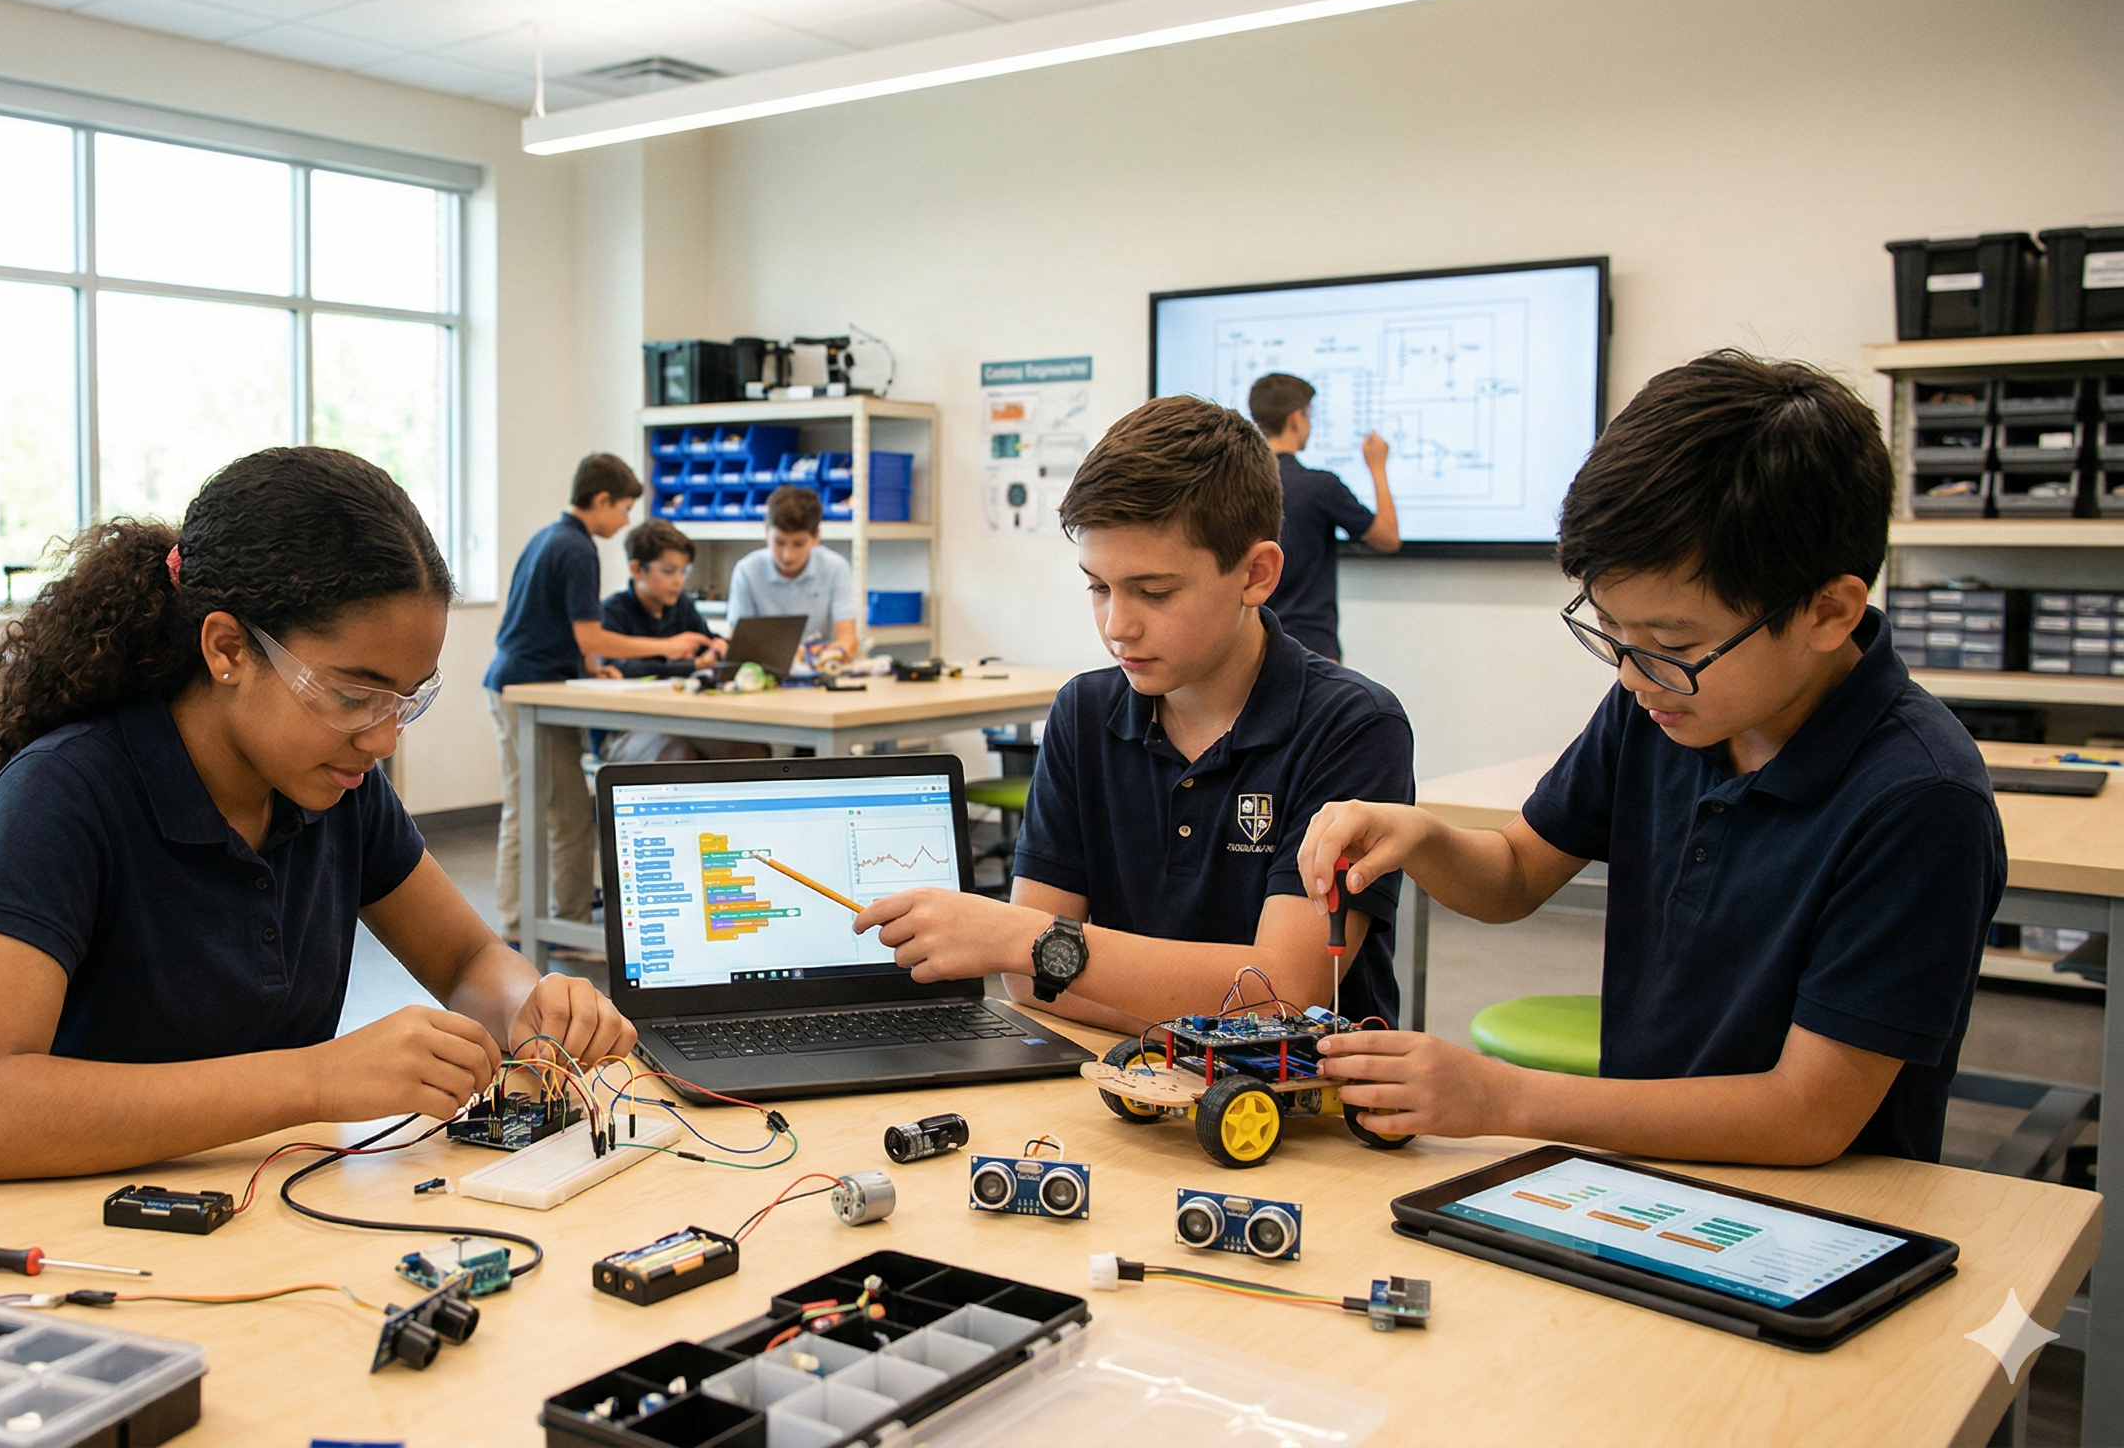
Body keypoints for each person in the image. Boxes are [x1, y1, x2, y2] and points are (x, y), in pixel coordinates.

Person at [1297, 351, 2003, 1166]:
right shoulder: (1666, 709)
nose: (1632, 675)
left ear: (1828, 611)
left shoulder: (1921, 799)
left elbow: (1807, 1116)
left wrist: (1505, 1097)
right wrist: (1421, 837)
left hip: (1819, 1207)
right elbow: (1515, 874)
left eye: (1672, 642)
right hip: (1643, 1174)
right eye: (1611, 631)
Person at [0, 447, 638, 1183]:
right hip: (79, 1224)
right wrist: (316, 1079)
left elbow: (466, 960)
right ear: (228, 648)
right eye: (352, 696)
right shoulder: (67, 792)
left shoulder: (336, 786)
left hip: (265, 1202)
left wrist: (530, 1006)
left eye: (407, 699)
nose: (383, 740)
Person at [850, 396, 1415, 1029]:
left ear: (1256, 574)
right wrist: (1050, 961)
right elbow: (1030, 983)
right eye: (1098, 587)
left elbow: (1281, 998)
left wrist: (1027, 941)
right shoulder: (1084, 713)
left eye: (1155, 592)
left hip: (1296, 1089)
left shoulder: (1354, 727)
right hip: (1122, 1073)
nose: (1118, 626)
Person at [484, 454, 717, 930]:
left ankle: (552, 921)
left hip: (522, 680)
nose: (627, 520)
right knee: (543, 812)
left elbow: (557, 626)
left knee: (553, 812)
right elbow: (590, 635)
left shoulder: (549, 537)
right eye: (625, 508)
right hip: (528, 688)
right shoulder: (578, 549)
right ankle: (526, 928)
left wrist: (589, 665)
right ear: (603, 499)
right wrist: (666, 646)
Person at [1249, 373, 1398, 662]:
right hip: (1311, 649)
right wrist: (1377, 466)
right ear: (1296, 419)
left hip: (1249, 648)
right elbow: (1388, 538)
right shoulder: (1320, 487)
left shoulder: (1235, 484)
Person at [591, 520, 766, 765]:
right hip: (625, 728)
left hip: (682, 721)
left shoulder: (680, 605)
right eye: (668, 571)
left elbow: (706, 643)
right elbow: (619, 670)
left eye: (684, 571)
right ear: (637, 570)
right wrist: (693, 665)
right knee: (679, 757)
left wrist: (718, 650)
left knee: (750, 750)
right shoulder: (612, 612)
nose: (679, 581)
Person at [728, 486, 859, 665]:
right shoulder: (746, 571)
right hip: (763, 672)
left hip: (819, 670)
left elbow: (848, 640)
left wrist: (829, 654)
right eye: (779, 542)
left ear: (816, 537)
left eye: (799, 544)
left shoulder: (836, 568)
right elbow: (738, 645)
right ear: (766, 533)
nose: (788, 555)